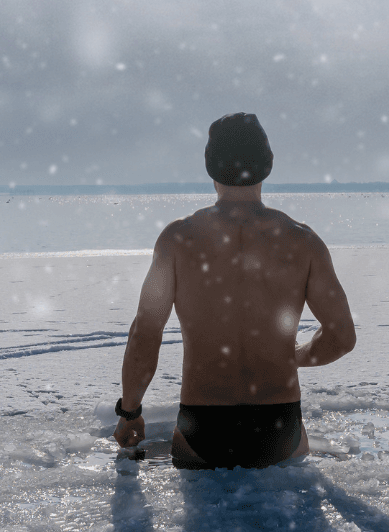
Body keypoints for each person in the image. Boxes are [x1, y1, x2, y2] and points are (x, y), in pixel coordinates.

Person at [112, 112, 356, 469]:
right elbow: (341, 336)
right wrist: (296, 356)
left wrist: (130, 412)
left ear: (210, 167)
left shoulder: (178, 240)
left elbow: (145, 334)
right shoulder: (303, 242)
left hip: (203, 428)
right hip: (278, 427)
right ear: (268, 166)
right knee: (293, 452)